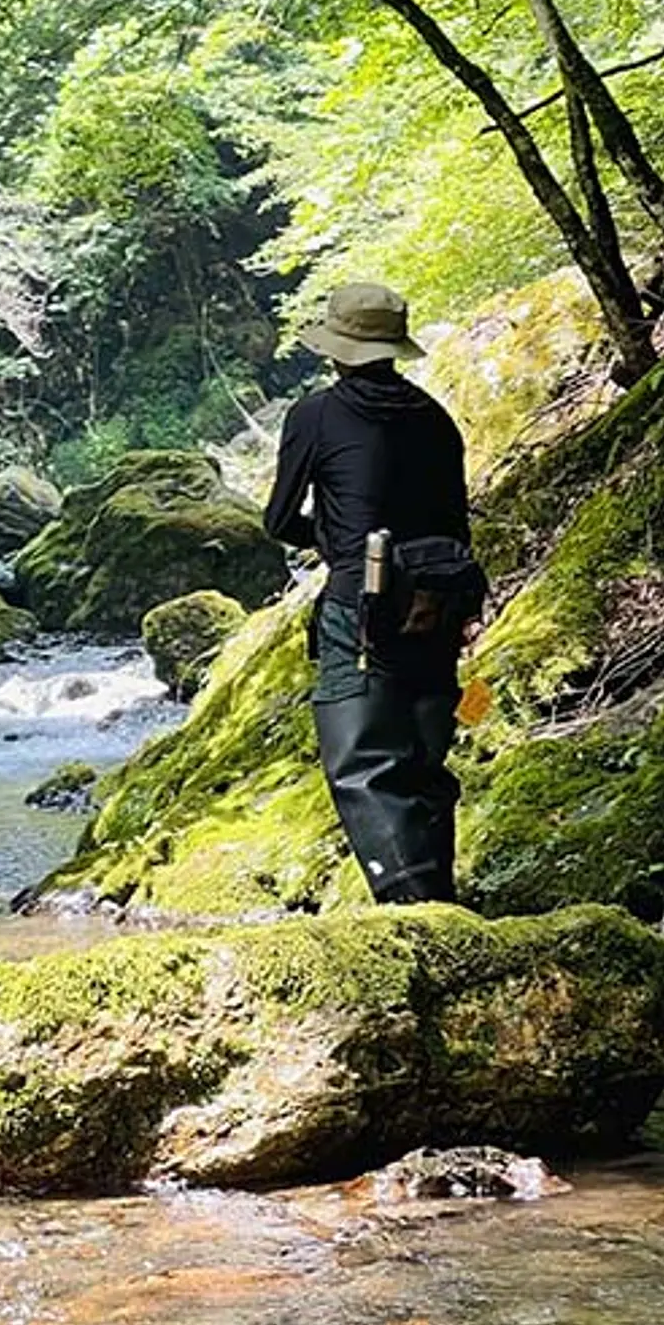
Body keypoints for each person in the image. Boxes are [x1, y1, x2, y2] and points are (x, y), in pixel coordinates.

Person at [263, 281, 484, 903]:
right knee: (422, 750)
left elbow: (279, 522)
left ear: (338, 348)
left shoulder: (315, 415)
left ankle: (413, 907)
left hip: (363, 602)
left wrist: (336, 543)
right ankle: (438, 892)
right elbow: (455, 525)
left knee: (362, 756)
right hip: (440, 599)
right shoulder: (436, 418)